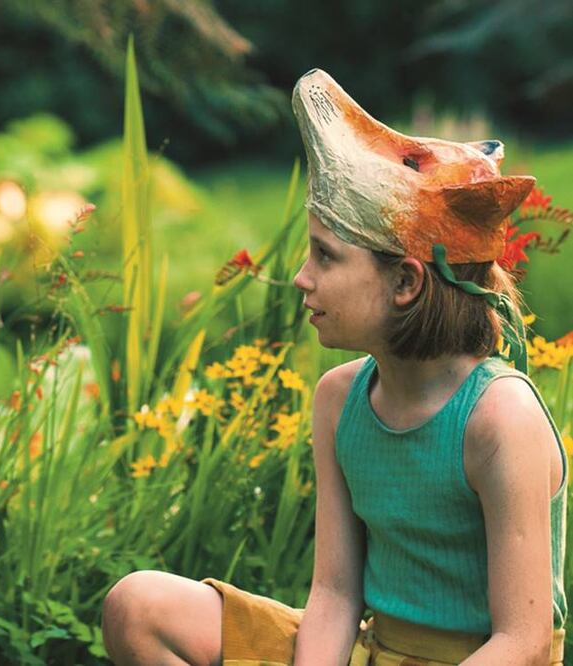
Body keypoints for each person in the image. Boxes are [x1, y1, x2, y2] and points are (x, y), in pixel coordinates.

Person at [100, 69, 567, 665]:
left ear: (404, 281)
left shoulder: (500, 420)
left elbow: (522, 644)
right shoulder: (340, 398)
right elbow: (335, 594)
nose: (302, 277)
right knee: (139, 607)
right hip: (371, 648)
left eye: (325, 255)